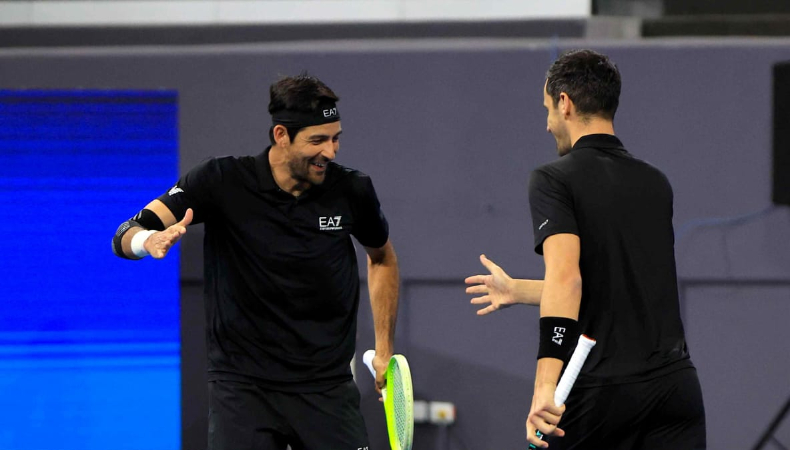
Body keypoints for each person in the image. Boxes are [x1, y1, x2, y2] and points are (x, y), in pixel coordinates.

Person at [112, 74, 399, 450]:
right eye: (317, 140)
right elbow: (125, 234)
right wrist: (148, 240)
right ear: (281, 135)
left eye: (335, 138)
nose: (331, 152)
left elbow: (382, 258)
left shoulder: (352, 189)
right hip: (242, 390)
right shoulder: (219, 180)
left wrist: (383, 349)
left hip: (327, 387)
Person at [465, 49, 706, 449]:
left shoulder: (552, 179)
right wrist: (519, 290)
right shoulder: (656, 182)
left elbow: (567, 279)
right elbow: (613, 287)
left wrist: (545, 386)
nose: (547, 124)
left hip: (604, 396)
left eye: (547, 109)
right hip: (675, 391)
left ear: (565, 103)